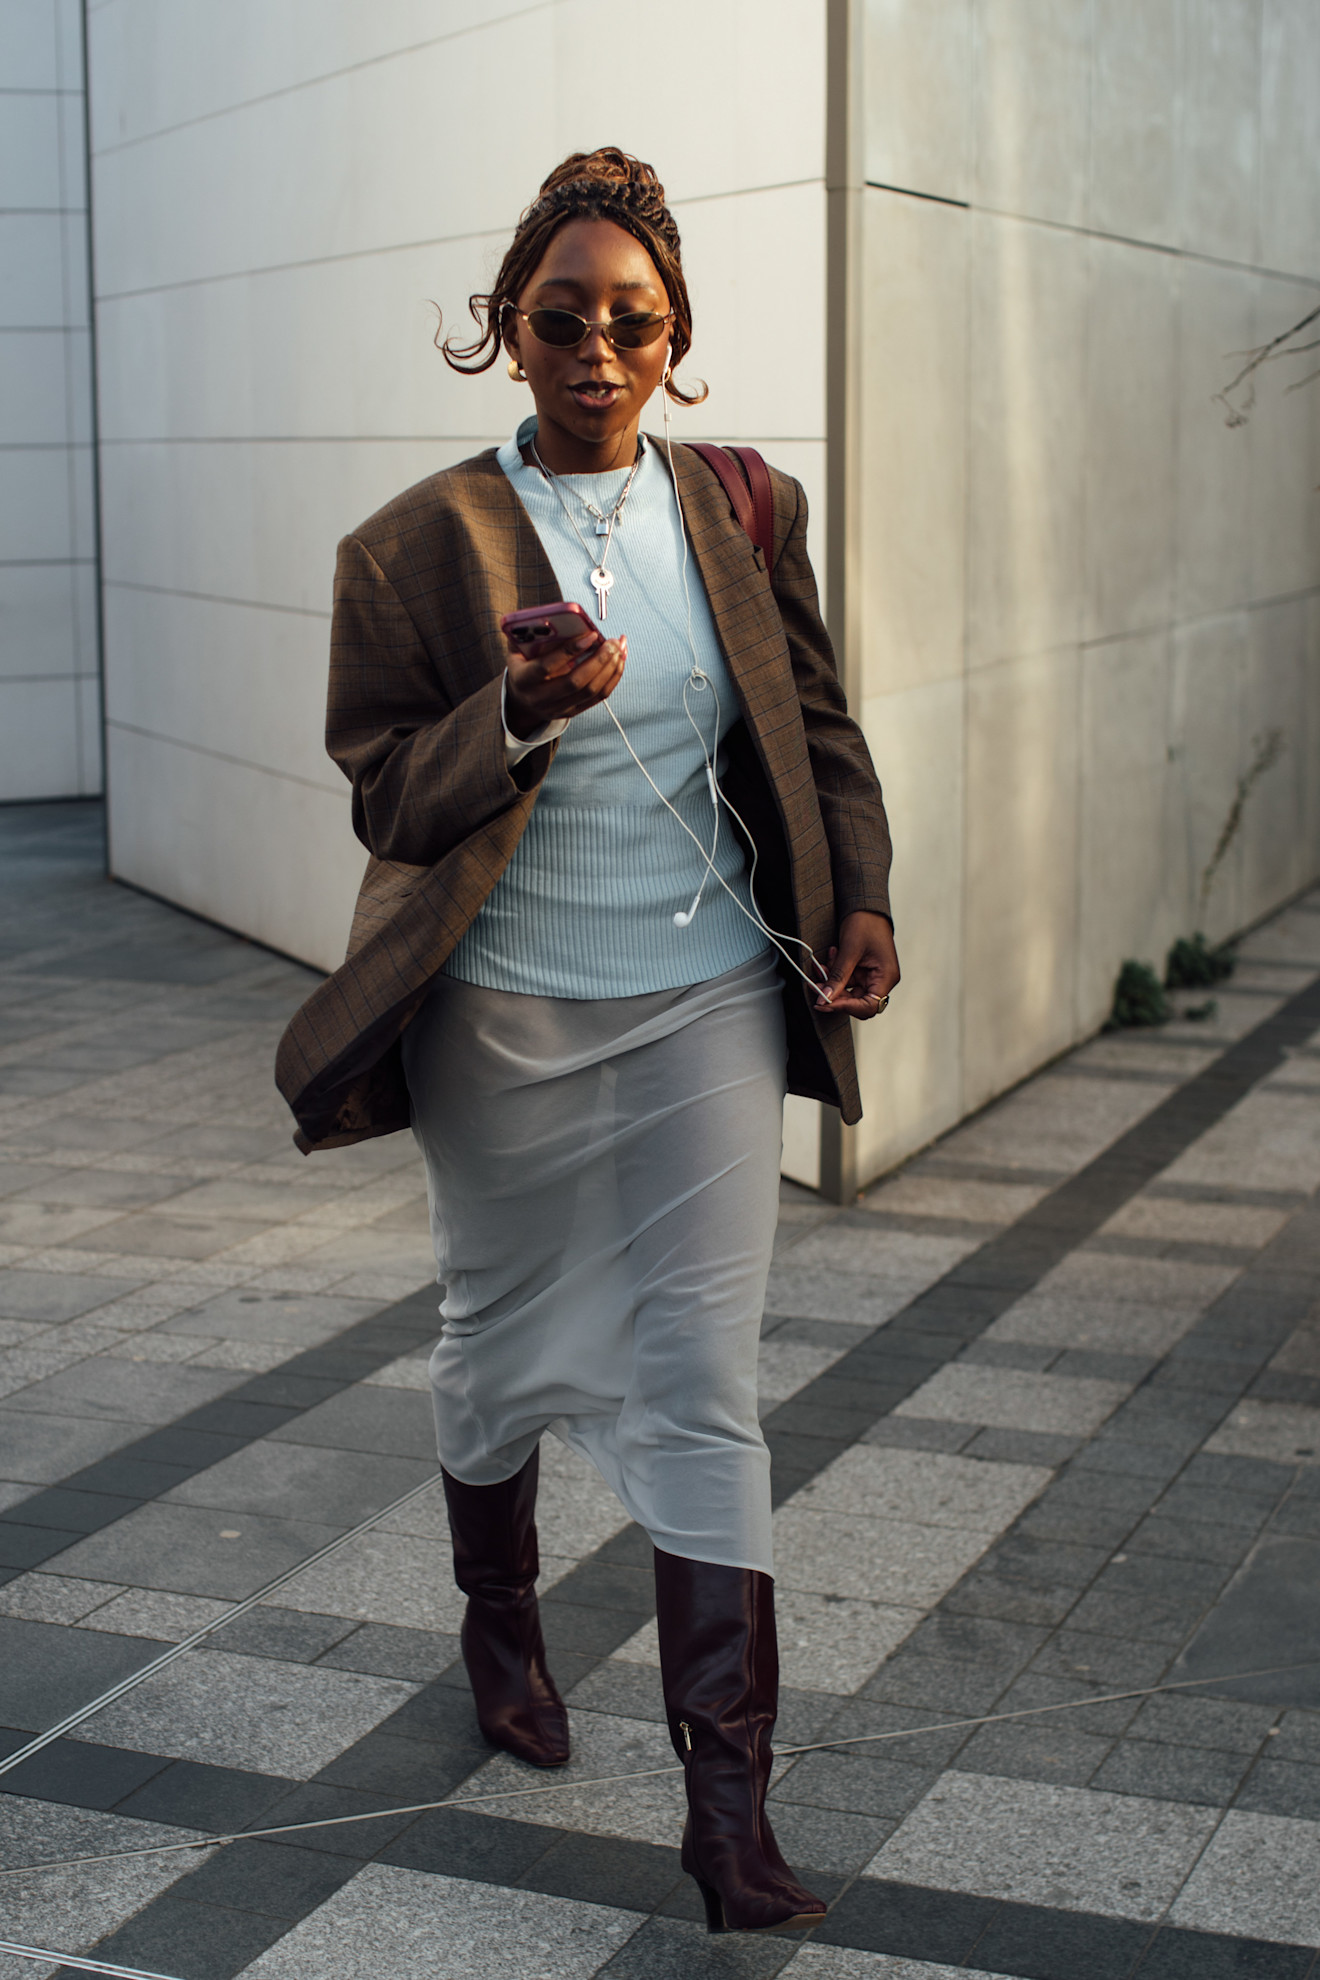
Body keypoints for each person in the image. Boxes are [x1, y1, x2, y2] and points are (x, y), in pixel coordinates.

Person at [275, 147, 897, 1937]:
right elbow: (388, 795)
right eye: (563, 319)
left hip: (705, 990)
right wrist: (518, 715)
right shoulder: (411, 545)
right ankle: (501, 1618)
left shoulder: (744, 505)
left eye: (635, 320)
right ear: (505, 330)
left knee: (702, 1379)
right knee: (495, 1338)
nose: (599, 348)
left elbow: (818, 724)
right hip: (503, 1008)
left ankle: (726, 1805)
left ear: (677, 334)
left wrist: (856, 887)